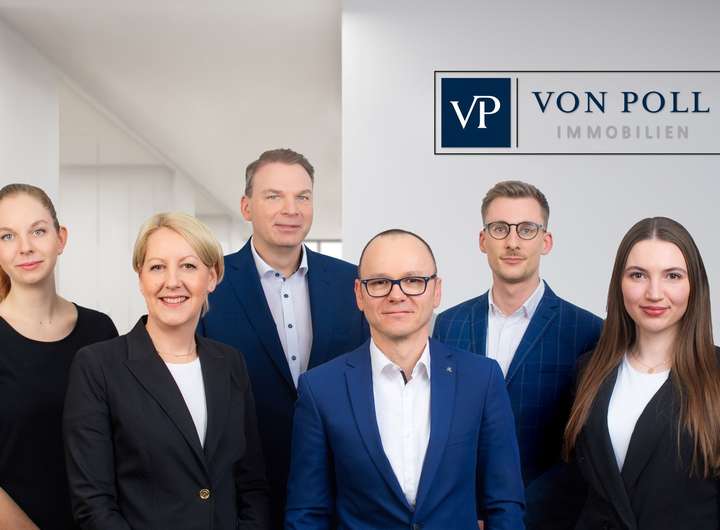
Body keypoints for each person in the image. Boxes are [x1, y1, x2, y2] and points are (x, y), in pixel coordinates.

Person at [285, 229, 525, 529]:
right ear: (359, 294)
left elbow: (504, 504)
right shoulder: (320, 389)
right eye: (379, 282)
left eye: (413, 281)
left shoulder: (481, 379)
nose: (396, 294)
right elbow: (307, 514)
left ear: (436, 291)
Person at [63, 213, 269, 530]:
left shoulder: (230, 363)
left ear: (212, 277)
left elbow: (251, 484)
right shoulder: (98, 366)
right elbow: (93, 504)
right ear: (141, 278)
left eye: (188, 266)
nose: (172, 281)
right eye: (157, 267)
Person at [199, 148, 368, 525]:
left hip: (339, 490)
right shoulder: (211, 285)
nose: (291, 209)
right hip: (244, 494)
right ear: (246, 207)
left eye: (302, 197)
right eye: (274, 196)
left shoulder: (352, 282)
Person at [432, 180, 603, 526]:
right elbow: (440, 431)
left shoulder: (588, 332)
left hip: (545, 519)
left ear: (546, 241)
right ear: (483, 240)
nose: (512, 241)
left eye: (526, 229)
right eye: (500, 228)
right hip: (461, 518)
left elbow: (584, 451)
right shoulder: (448, 325)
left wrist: (509, 518)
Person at [564, 217, 720, 530]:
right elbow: (575, 491)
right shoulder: (588, 371)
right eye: (638, 275)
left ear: (694, 285)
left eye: (672, 276)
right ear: (619, 284)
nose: (654, 293)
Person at [0, 183, 118, 530]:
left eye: (38, 231)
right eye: (7, 236)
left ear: (60, 238)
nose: (25, 247)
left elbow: (122, 442)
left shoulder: (100, 330)